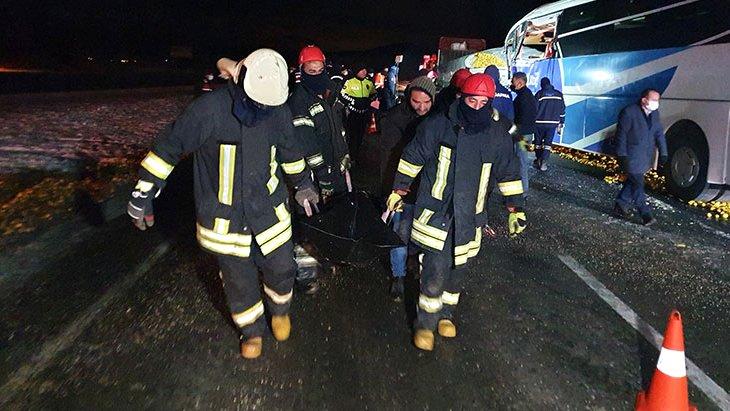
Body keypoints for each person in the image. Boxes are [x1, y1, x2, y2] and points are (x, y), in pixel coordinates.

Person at [127, 49, 320, 360]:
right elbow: (168, 148)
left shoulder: (278, 110)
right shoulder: (209, 111)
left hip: (269, 212)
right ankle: (251, 331)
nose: (263, 109)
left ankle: (280, 311)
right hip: (225, 221)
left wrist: (303, 185)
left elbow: (291, 152)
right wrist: (143, 193)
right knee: (238, 283)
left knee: (282, 269)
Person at [386, 74, 526, 351]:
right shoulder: (439, 125)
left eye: (483, 102)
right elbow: (413, 157)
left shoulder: (496, 135)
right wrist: (399, 189)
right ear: (462, 97)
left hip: (470, 217)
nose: (476, 107)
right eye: (471, 100)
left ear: (490, 102)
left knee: (457, 271)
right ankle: (425, 324)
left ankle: (446, 315)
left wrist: (515, 207)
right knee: (435, 271)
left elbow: (509, 172)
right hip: (438, 213)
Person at [287, 45, 351, 294]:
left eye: (319, 69)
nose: (315, 73)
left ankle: (327, 261)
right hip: (314, 178)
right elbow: (308, 145)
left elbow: (337, 134)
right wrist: (322, 177)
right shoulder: (299, 100)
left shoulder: (327, 96)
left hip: (335, 171)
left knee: (331, 221)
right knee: (309, 226)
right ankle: (305, 277)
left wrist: (344, 160)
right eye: (310, 70)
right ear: (302, 70)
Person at [378, 76, 436, 299]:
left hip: (430, 190)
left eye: (426, 103)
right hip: (403, 190)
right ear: (407, 98)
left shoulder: (438, 121)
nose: (421, 107)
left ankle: (417, 266)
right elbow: (388, 156)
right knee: (400, 232)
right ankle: (398, 276)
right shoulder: (395, 118)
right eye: (416, 102)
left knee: (424, 235)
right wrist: (391, 190)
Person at [613, 88, 668, 226]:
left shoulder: (655, 114)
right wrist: (621, 155)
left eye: (657, 100)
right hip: (630, 156)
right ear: (644, 100)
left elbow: (659, 134)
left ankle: (621, 203)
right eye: (654, 100)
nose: (656, 103)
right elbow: (621, 135)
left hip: (644, 157)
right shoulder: (629, 112)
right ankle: (645, 214)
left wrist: (664, 152)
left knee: (633, 182)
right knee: (638, 184)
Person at [340, 65, 376, 162]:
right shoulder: (349, 82)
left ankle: (358, 155)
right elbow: (342, 94)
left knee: (361, 135)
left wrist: (368, 101)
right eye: (361, 69)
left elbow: (374, 94)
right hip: (353, 114)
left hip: (364, 114)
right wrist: (353, 101)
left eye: (365, 69)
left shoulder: (368, 82)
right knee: (352, 136)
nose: (364, 72)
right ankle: (351, 155)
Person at [511, 71, 537, 194]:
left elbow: (522, 117)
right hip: (526, 134)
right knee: (522, 161)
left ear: (520, 82)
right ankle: (521, 191)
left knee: (521, 162)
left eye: (513, 81)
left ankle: (523, 192)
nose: (512, 83)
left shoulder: (524, 97)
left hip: (522, 135)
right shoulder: (527, 94)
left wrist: (514, 130)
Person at [533, 77, 565, 171]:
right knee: (548, 144)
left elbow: (534, 109)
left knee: (538, 143)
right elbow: (562, 109)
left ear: (542, 84)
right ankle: (544, 163)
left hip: (539, 123)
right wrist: (561, 121)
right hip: (552, 124)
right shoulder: (559, 95)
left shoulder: (539, 94)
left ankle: (538, 159)